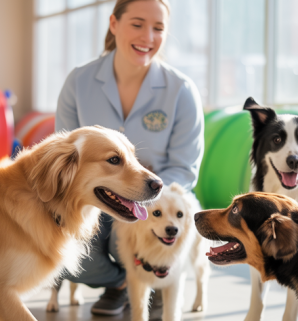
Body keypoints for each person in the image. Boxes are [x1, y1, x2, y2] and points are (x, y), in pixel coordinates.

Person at [55, 0, 204, 316]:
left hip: (153, 201)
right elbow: (63, 154)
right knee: (70, 259)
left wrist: (145, 199)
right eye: (137, 24)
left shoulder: (182, 90)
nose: (148, 36)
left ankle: (153, 276)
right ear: (113, 24)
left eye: (158, 28)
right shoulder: (79, 82)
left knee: (129, 232)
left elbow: (183, 169)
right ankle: (127, 283)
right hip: (92, 199)